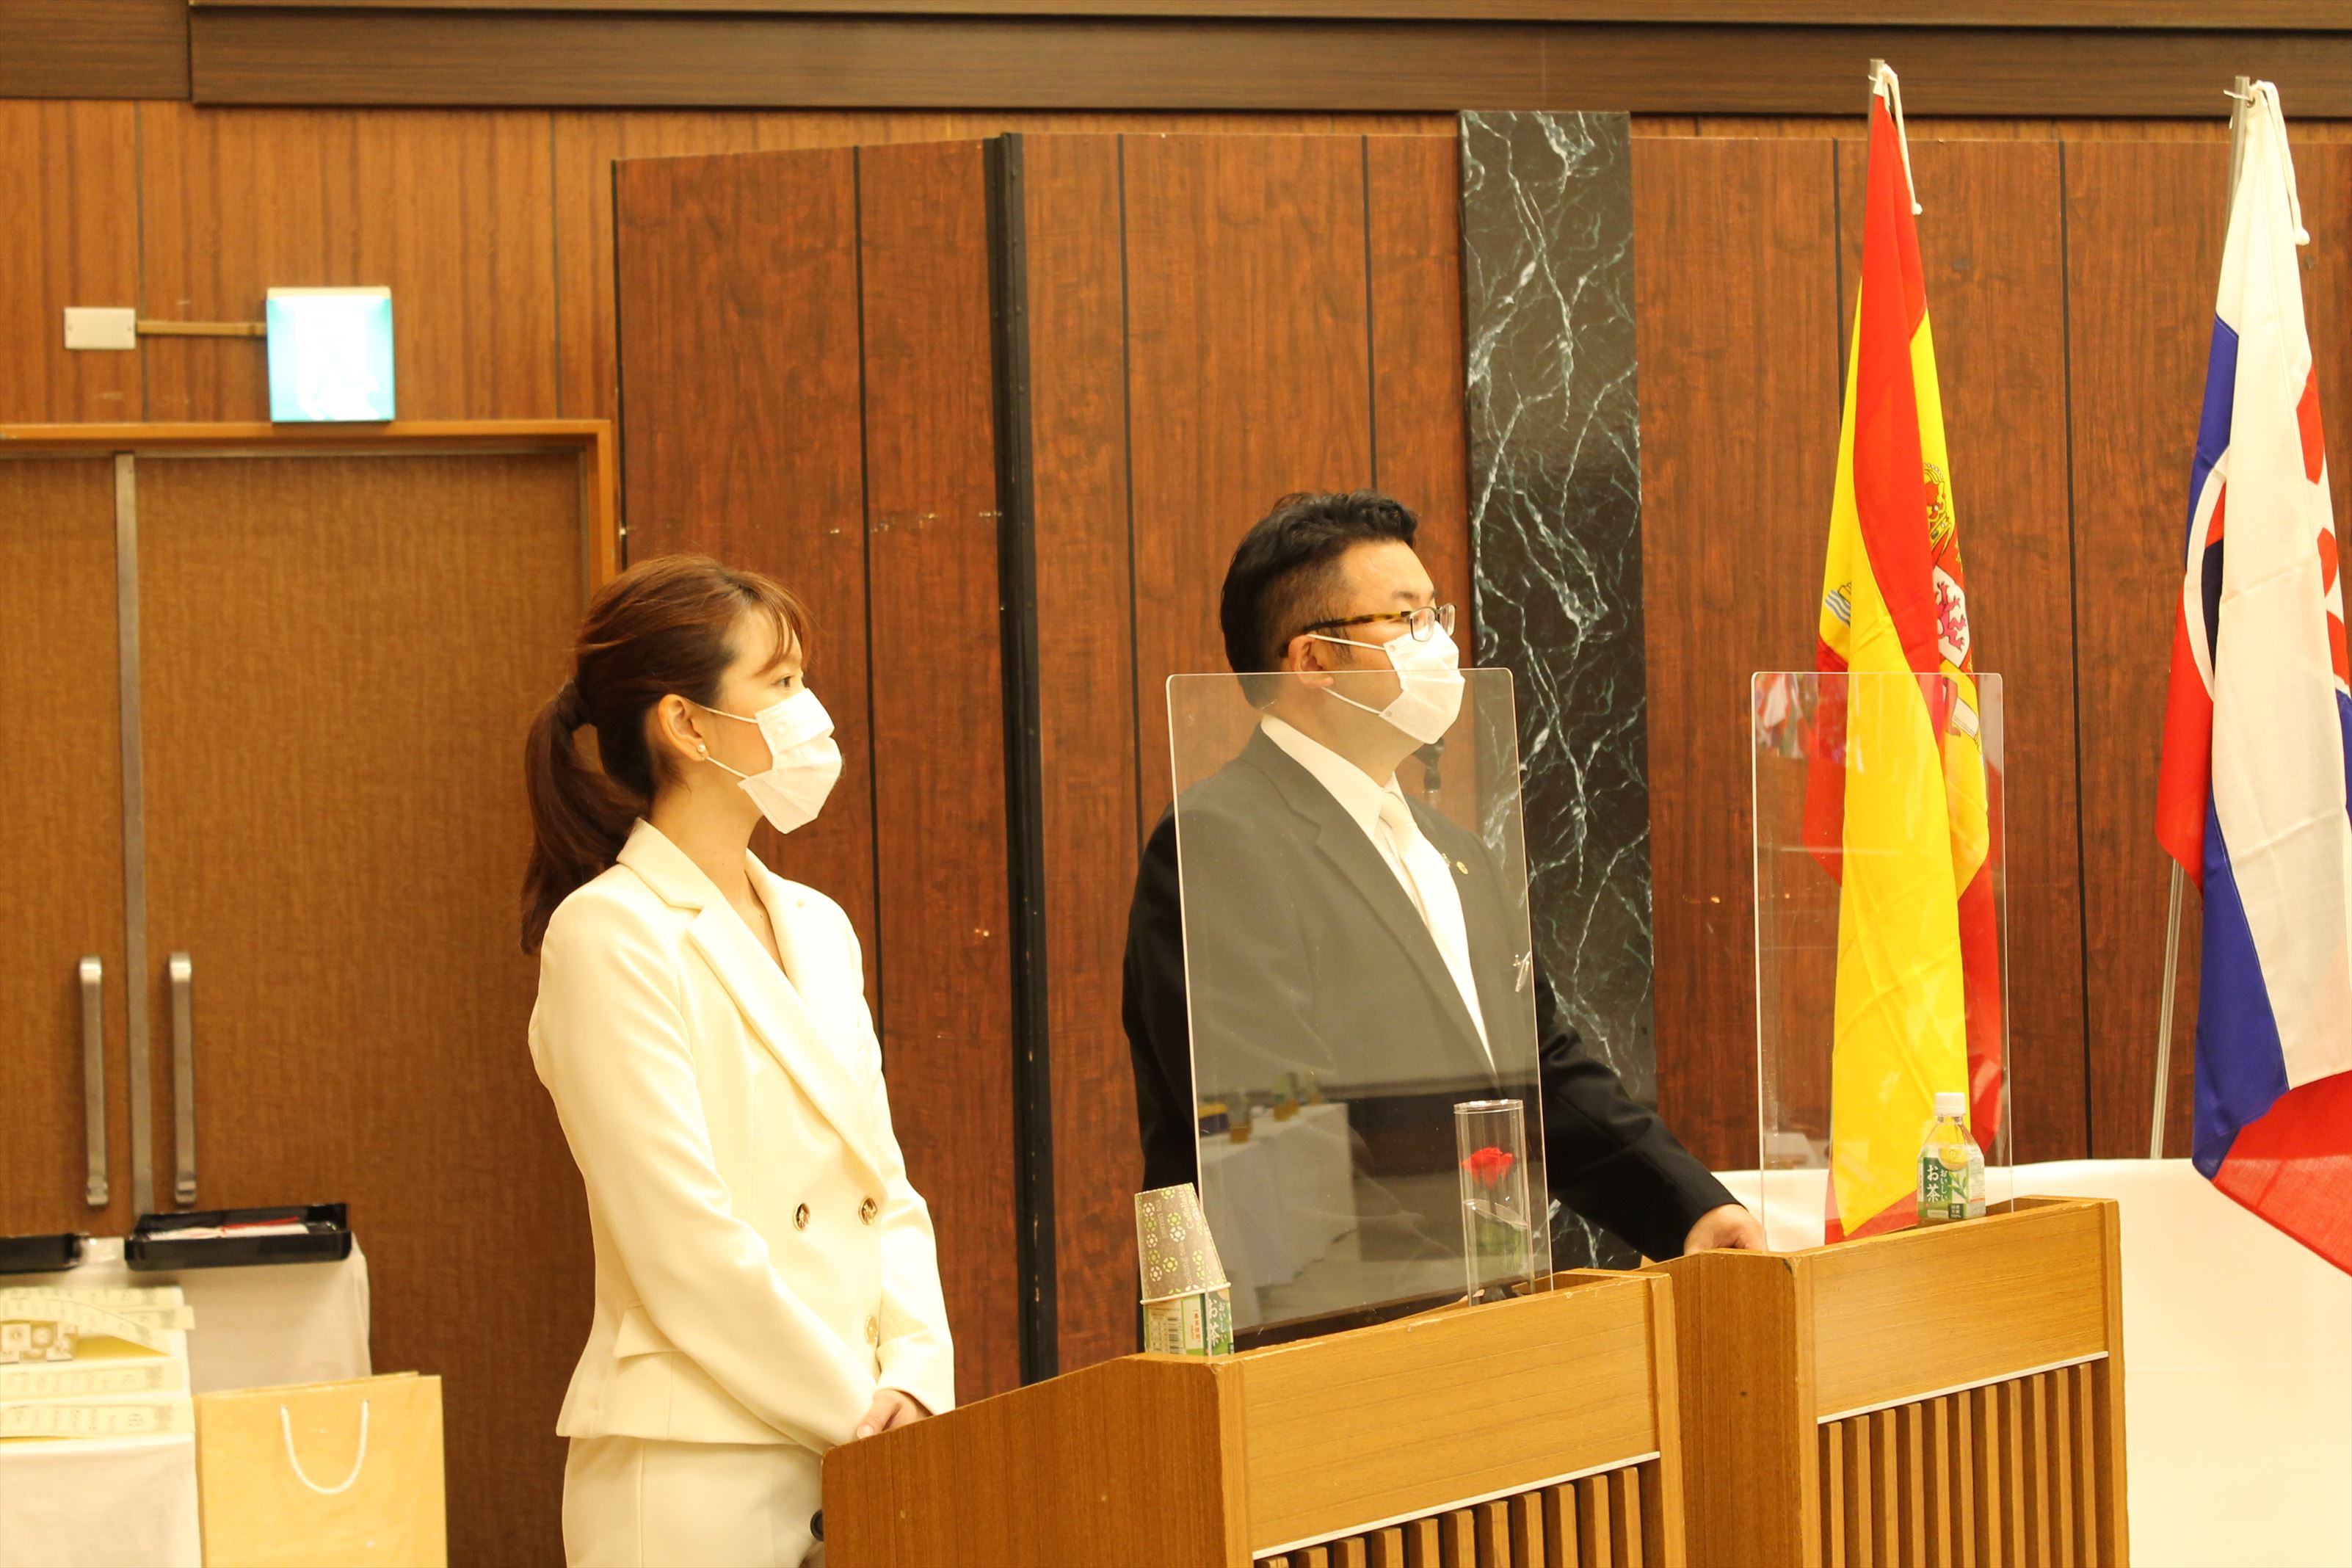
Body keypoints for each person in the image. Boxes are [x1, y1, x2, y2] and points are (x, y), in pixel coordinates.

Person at [1123, 491, 1763, 1268]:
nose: (1440, 645)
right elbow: (1273, 1123)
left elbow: (1539, 1066)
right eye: (1407, 619)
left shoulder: (1450, 848)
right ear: (1313, 660)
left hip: (1476, 1306)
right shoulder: (1221, 840)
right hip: (1324, 1313)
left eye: (1438, 615)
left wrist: (1690, 1208)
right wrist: (1448, 1292)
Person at [520, 555, 953, 1568]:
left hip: (862, 1443)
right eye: (782, 682)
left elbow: (884, 1189)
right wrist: (858, 1412)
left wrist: (915, 1379)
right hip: (698, 1465)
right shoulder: (610, 933)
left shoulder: (818, 924)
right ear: (687, 723)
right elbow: (682, 1244)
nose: (813, 714)